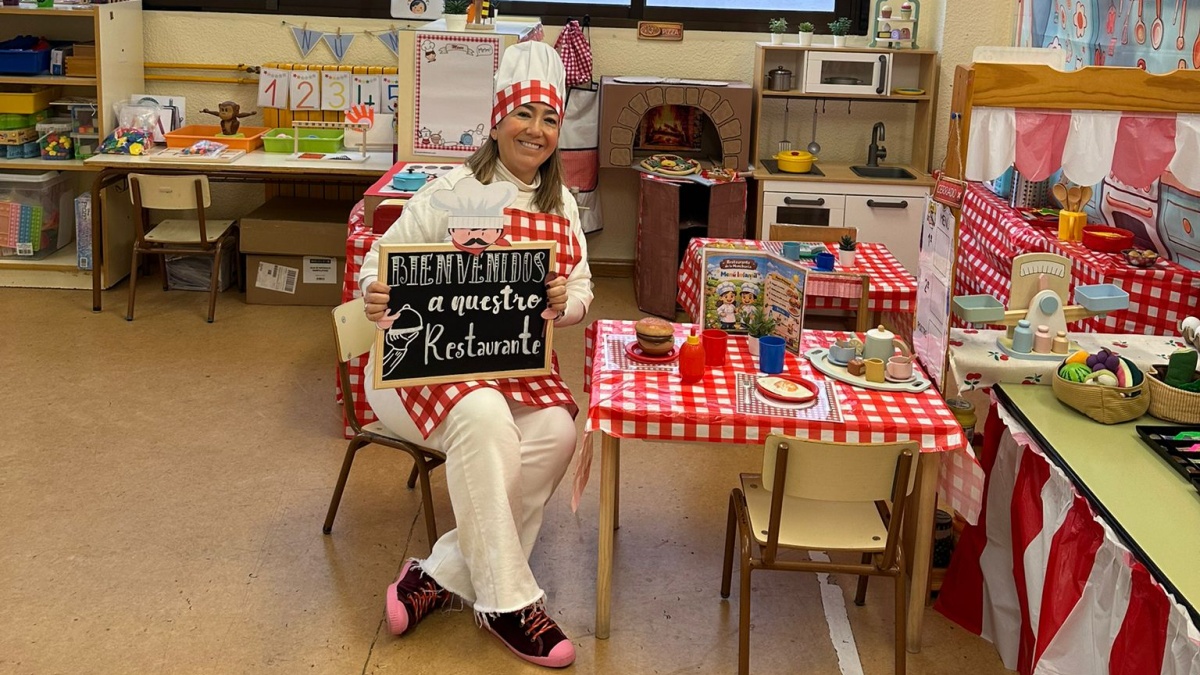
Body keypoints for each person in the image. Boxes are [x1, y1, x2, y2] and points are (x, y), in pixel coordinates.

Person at [358, 41, 591, 669]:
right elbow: (379, 262)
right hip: (416, 365)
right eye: (524, 114)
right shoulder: (452, 190)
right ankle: (510, 605)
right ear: (497, 120)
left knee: (556, 431)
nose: (536, 130)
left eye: (549, 119)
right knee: (485, 415)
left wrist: (566, 303)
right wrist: (374, 291)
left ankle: (438, 575)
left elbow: (583, 291)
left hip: (514, 368)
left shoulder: (562, 205)